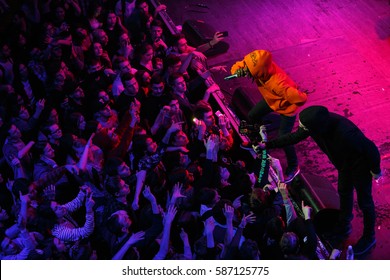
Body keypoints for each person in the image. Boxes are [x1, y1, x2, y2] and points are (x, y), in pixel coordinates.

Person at [255, 105, 382, 256]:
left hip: (360, 167)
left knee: (365, 202)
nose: (300, 128)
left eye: (303, 126)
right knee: (344, 192)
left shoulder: (346, 132)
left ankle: (369, 237)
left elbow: (371, 149)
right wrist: (268, 144)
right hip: (344, 166)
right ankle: (344, 225)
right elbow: (293, 137)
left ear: (314, 127)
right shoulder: (316, 126)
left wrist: (376, 171)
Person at [230, 50, 307, 183]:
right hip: (271, 99)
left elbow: (300, 98)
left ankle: (294, 166)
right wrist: (237, 71)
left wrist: (290, 98)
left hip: (286, 109)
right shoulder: (255, 66)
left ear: (259, 71)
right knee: (253, 115)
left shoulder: (278, 84)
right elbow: (237, 67)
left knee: (284, 137)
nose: (246, 71)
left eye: (249, 71)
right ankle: (257, 142)